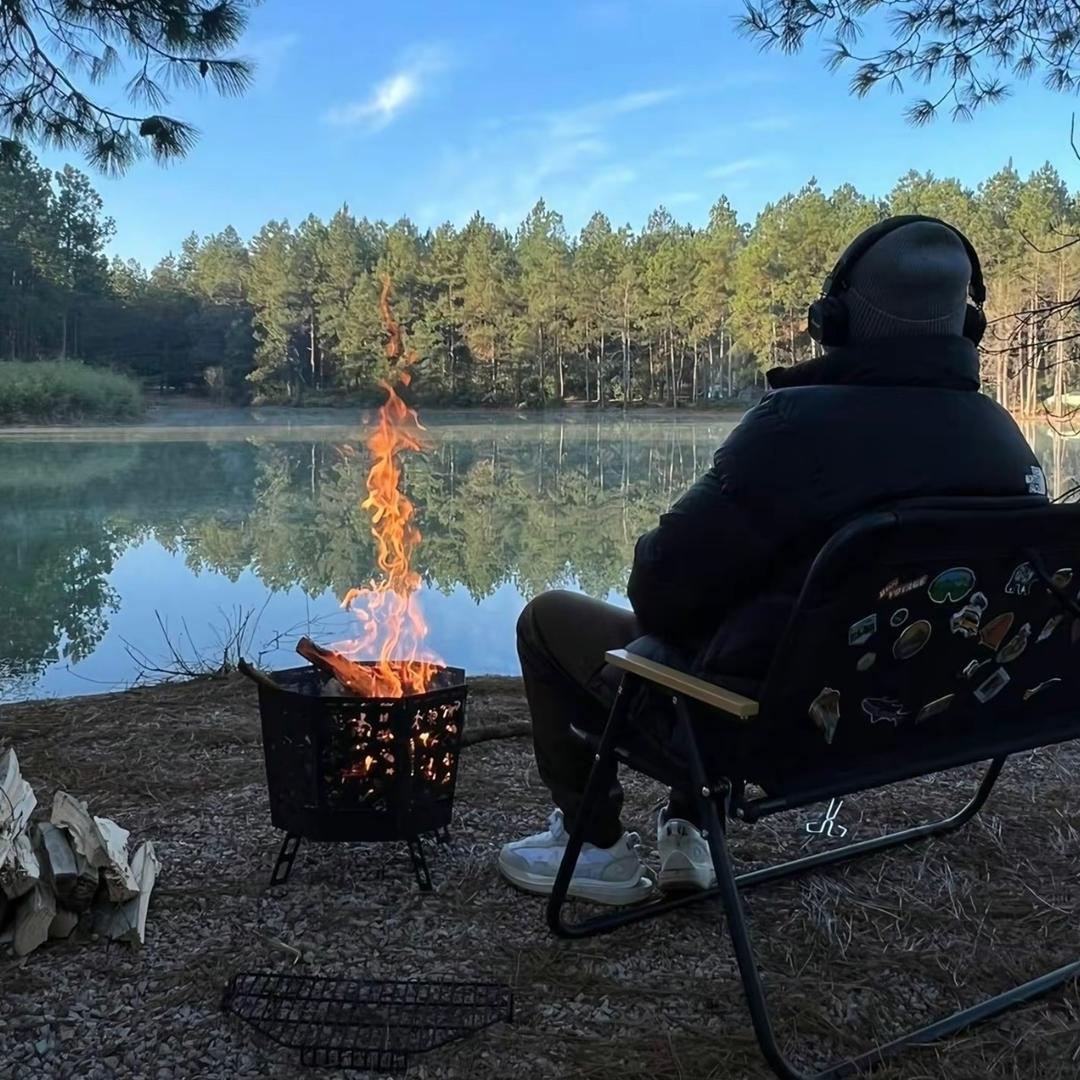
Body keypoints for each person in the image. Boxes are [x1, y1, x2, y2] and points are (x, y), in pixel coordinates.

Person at [498, 216, 1046, 906]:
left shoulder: (793, 429)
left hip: (769, 728)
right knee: (746, 613)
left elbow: (660, 591)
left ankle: (597, 845)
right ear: (966, 328)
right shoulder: (1004, 438)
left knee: (549, 619)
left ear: (834, 320)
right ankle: (689, 829)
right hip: (940, 713)